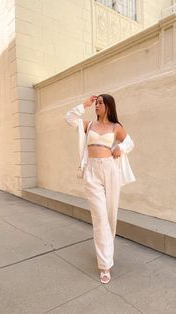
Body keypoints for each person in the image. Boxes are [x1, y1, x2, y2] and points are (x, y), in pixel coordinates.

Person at [65, 94, 135, 284]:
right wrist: (84, 104)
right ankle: (105, 265)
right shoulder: (89, 125)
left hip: (110, 170)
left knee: (110, 216)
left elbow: (130, 142)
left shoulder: (115, 127)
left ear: (109, 106)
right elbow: (69, 118)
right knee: (100, 218)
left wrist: (121, 147)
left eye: (100, 103)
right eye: (96, 103)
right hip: (92, 172)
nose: (97, 106)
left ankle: (107, 252)